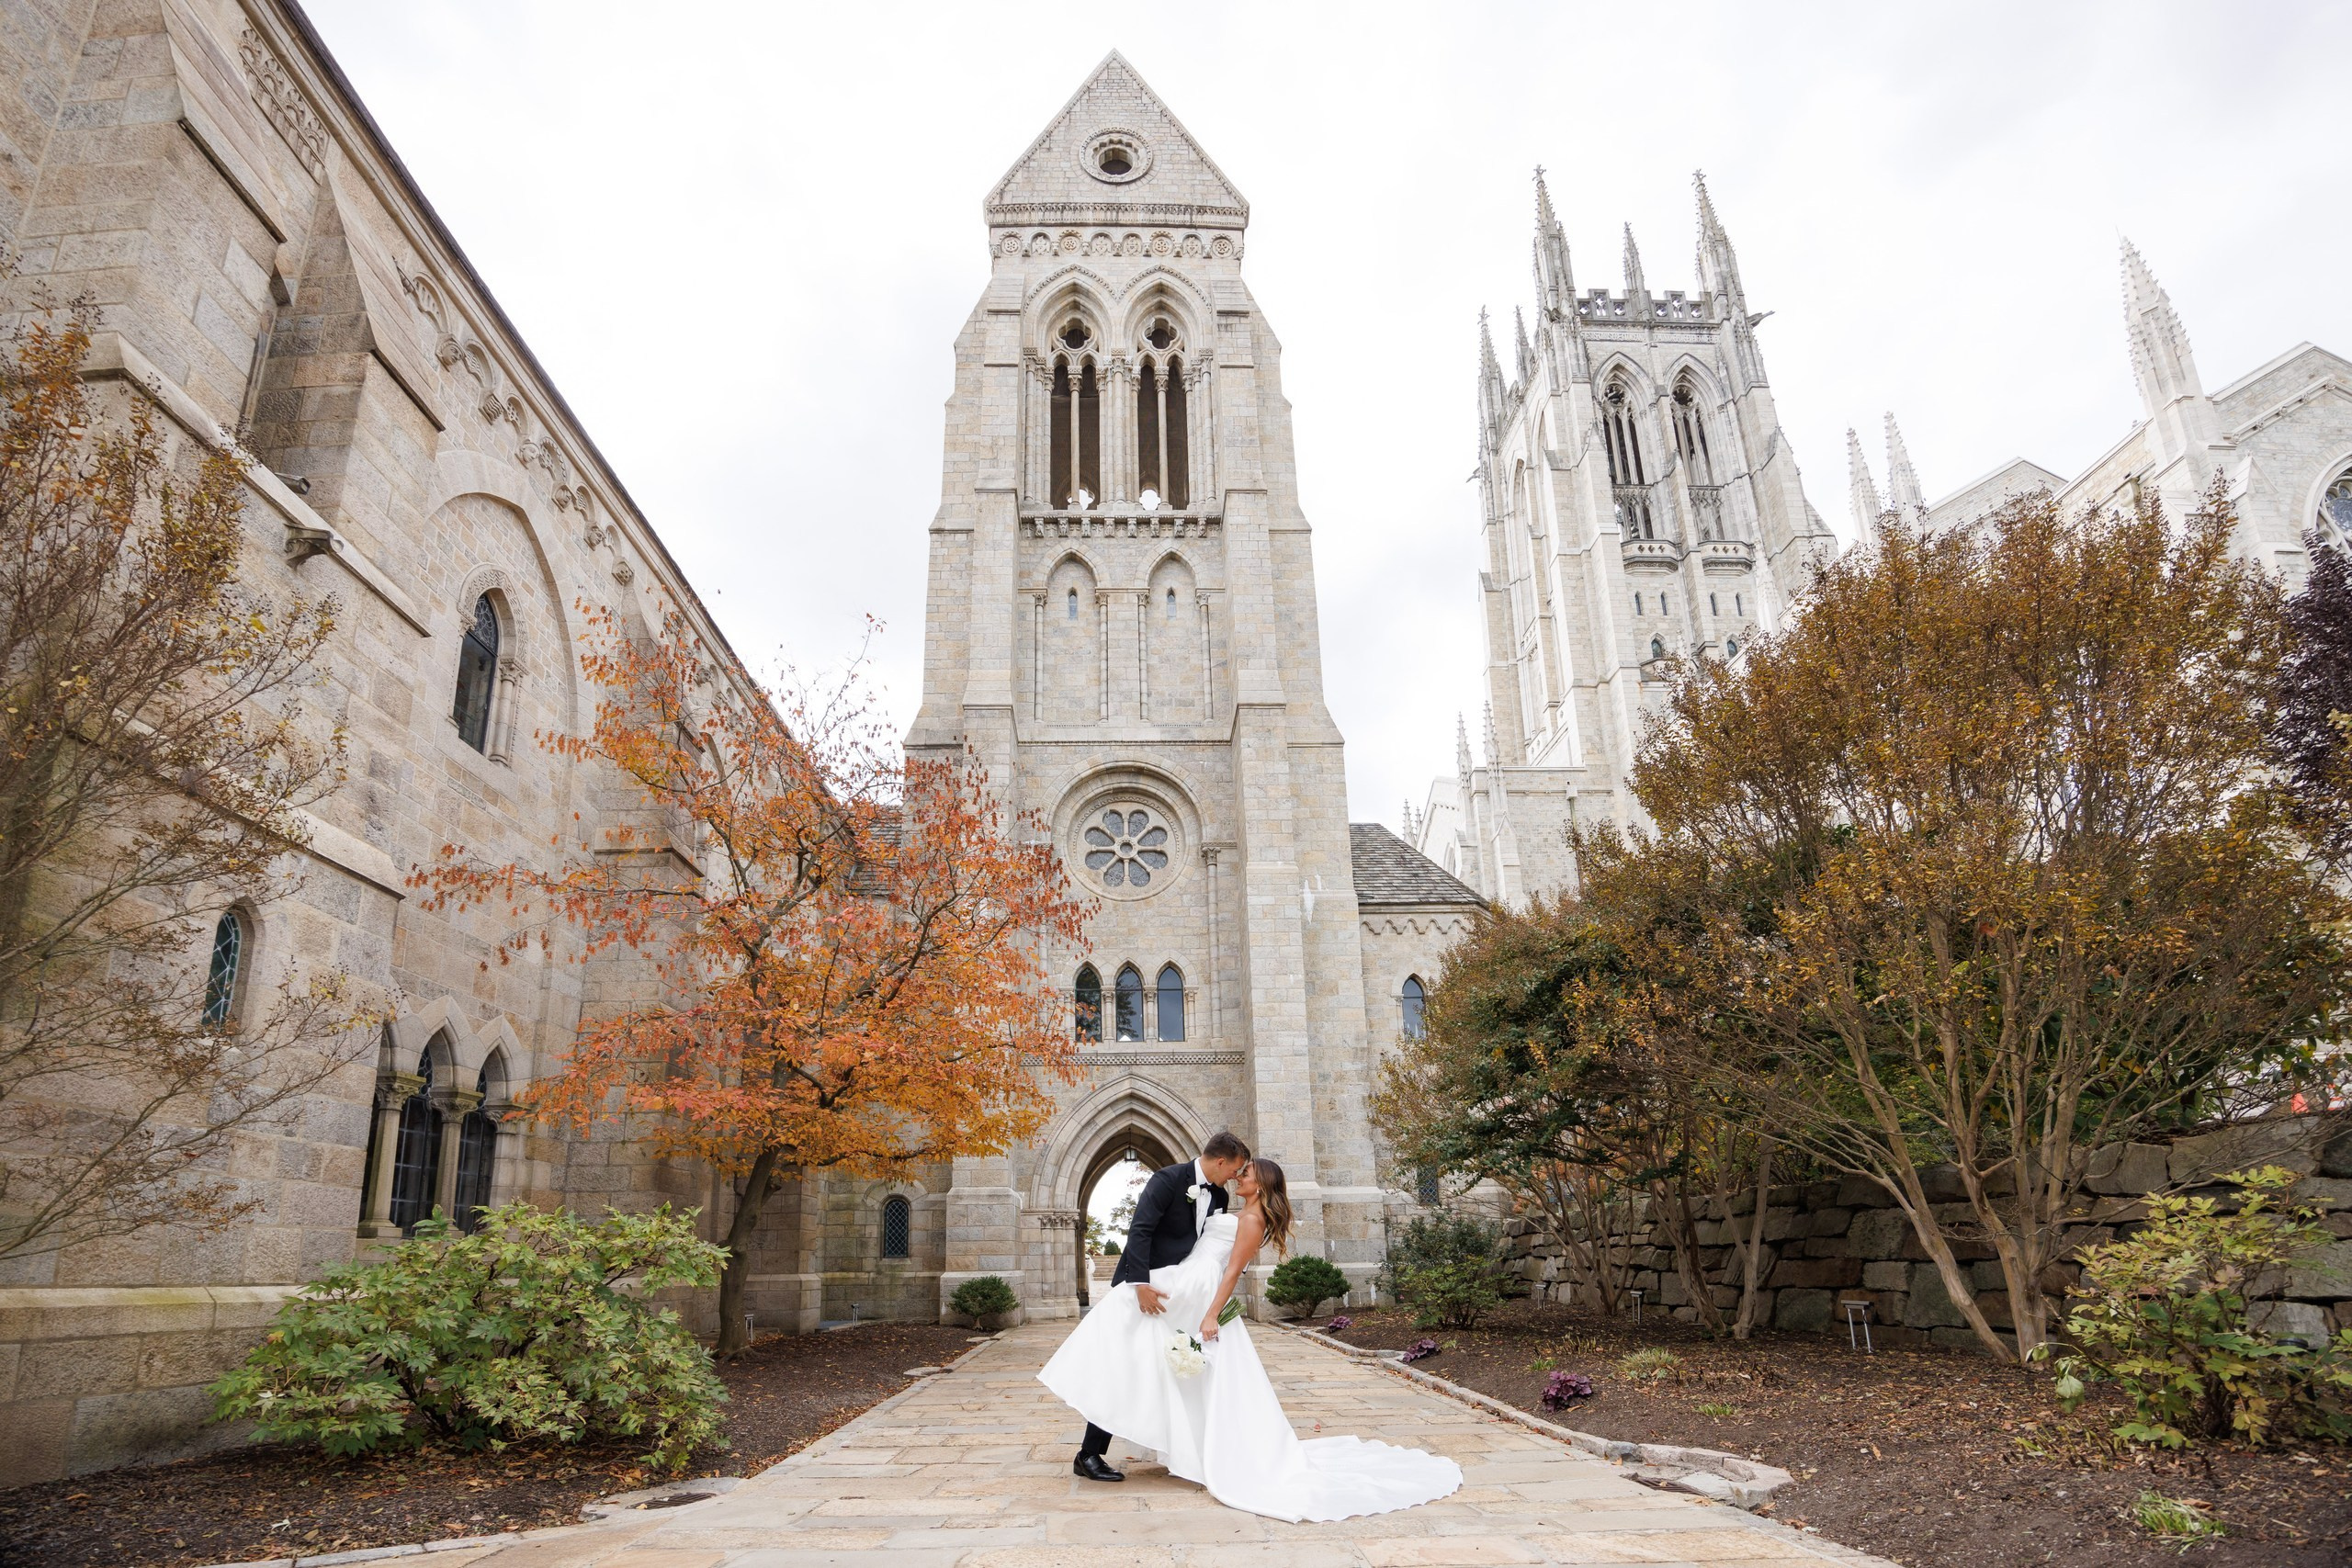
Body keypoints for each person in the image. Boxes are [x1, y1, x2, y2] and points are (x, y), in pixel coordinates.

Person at [1039, 1148, 1464, 1522]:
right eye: (1237, 1170)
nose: (1238, 1177)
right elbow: (1145, 1231)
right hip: (1178, 1282)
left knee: (1150, 1357)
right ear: (1221, 1162)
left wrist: (1210, 1314)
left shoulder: (1248, 1216)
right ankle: (1105, 1447)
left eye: (1247, 1173)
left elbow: (1232, 1271)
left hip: (1197, 1292)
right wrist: (1139, 1282)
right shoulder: (1189, 1188)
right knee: (1133, 1350)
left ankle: (1139, 1450)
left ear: (1261, 1183)